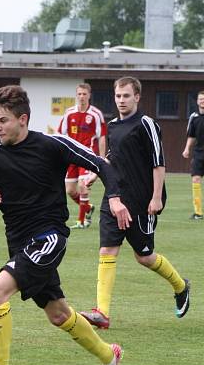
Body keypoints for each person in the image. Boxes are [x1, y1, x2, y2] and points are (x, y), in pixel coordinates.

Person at [0, 85, 128, 365]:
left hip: (49, 237)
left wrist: (114, 198)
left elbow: (102, 164)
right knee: (58, 314)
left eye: (4, 120)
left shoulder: (52, 145)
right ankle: (108, 354)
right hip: (19, 242)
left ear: (23, 119)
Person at [80, 76, 191, 330]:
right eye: (118, 96)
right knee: (107, 250)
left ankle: (180, 286)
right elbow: (110, 157)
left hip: (141, 201)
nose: (121, 100)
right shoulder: (113, 125)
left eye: (126, 96)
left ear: (137, 97)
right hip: (114, 197)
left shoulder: (146, 124)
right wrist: (95, 175)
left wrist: (155, 197)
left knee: (144, 257)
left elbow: (158, 163)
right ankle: (102, 312)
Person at [57, 83, 107, 228]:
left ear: (89, 95)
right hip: (71, 156)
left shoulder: (95, 114)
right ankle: (88, 207)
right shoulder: (69, 113)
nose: (81, 97)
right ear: (76, 95)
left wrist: (101, 159)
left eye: (84, 94)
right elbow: (61, 135)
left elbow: (102, 136)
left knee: (83, 185)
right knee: (70, 190)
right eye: (79, 94)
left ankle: (81, 221)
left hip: (87, 156)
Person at [182, 90, 204, 220]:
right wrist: (187, 149)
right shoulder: (194, 117)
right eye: (200, 99)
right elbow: (191, 135)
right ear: (197, 101)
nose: (202, 101)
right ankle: (198, 212)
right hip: (199, 154)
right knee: (195, 179)